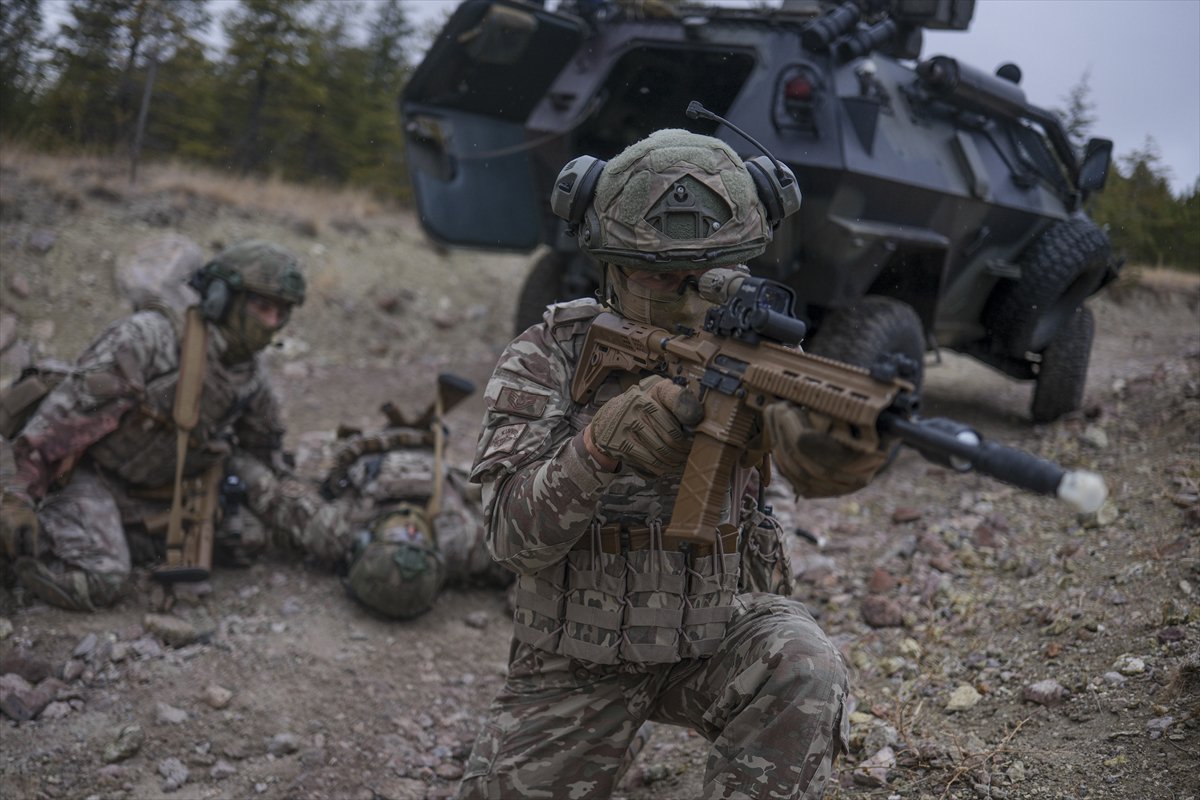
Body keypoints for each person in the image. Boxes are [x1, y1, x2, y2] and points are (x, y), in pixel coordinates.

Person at [459, 129, 893, 799]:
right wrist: (596, 446)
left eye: (706, 274)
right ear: (610, 263)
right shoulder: (553, 356)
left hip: (716, 634)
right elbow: (511, 540)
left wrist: (842, 446)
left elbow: (817, 466)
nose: (685, 293)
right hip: (581, 653)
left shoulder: (750, 360)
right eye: (657, 273)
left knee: (807, 667)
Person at [0, 240, 305, 611]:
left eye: (282, 313)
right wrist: (18, 496)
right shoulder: (152, 338)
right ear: (222, 298)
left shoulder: (249, 376)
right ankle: (28, 548)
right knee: (104, 578)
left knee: (246, 538)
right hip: (86, 471)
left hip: (148, 488)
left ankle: (109, 533)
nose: (272, 323)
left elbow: (265, 449)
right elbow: (59, 422)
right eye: (262, 307)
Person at [225, 416, 512, 619]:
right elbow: (536, 560)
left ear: (362, 543)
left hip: (367, 449)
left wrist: (227, 452)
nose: (409, 528)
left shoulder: (335, 532)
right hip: (418, 449)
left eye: (398, 538)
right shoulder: (465, 543)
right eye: (415, 539)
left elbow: (270, 492)